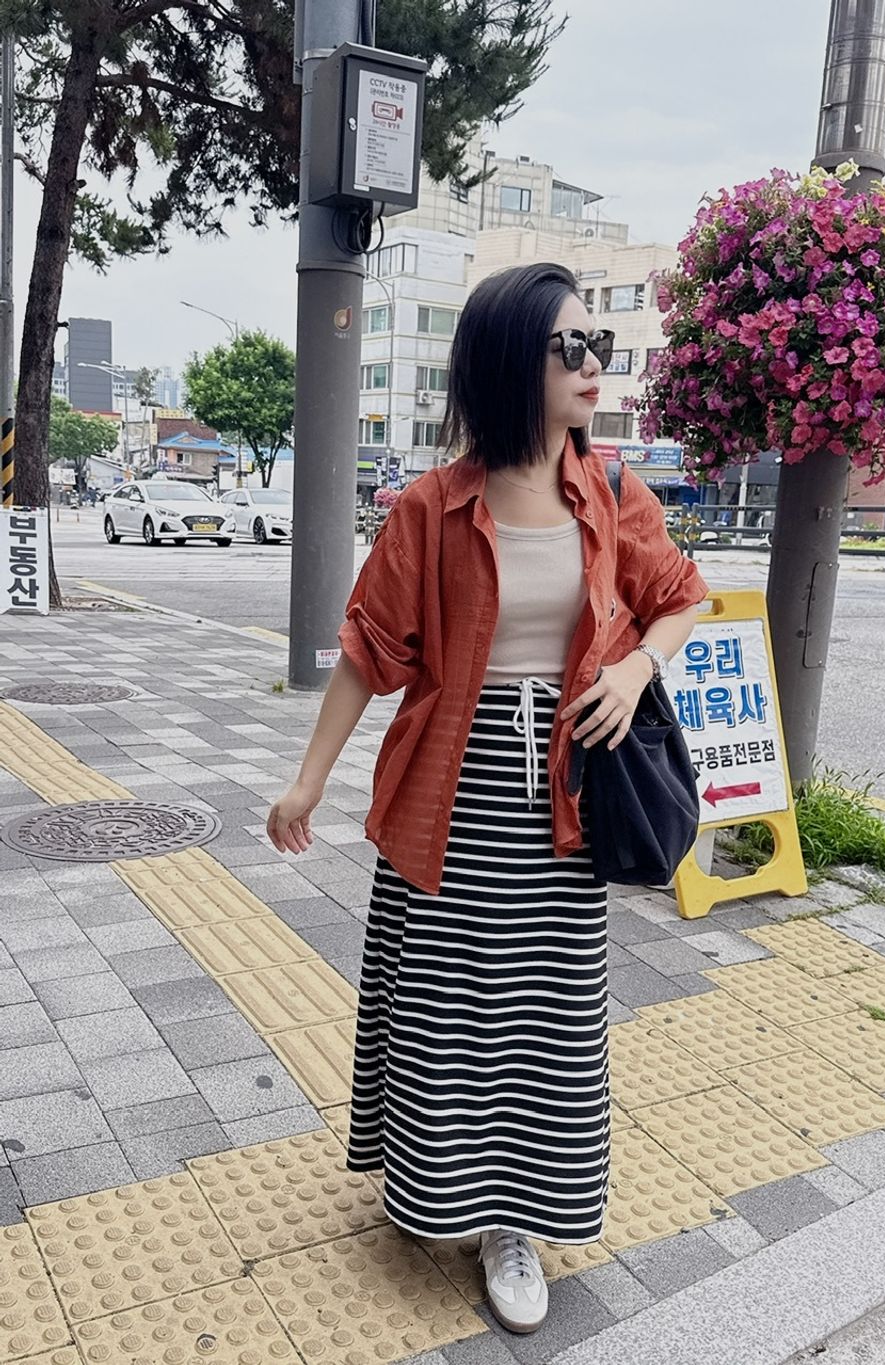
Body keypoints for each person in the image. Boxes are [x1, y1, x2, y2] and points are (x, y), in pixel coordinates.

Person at [267, 262, 709, 1335]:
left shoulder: (612, 491)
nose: (593, 365)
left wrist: (635, 668)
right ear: (512, 360)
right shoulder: (432, 506)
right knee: (448, 1009)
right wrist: (307, 778)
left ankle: (519, 1223)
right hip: (451, 801)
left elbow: (679, 599)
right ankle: (440, 1192)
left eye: (598, 344)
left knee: (548, 1017)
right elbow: (370, 648)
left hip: (566, 801)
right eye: (570, 347)